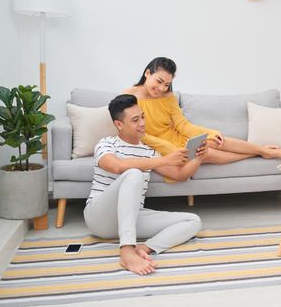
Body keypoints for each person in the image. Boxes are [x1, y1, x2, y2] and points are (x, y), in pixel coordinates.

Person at [83, 94, 205, 276]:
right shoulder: (106, 144)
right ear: (119, 124)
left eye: (142, 117)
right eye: (135, 120)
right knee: (133, 173)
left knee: (193, 221)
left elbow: (180, 175)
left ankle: (144, 248)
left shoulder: (148, 151)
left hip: (131, 218)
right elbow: (116, 166)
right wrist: (163, 160)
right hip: (99, 218)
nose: (142, 123)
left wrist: (198, 157)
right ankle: (126, 250)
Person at [123, 57, 281, 165]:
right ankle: (259, 153)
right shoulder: (129, 96)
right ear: (147, 73)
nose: (161, 88)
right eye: (159, 81)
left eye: (166, 84)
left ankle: (261, 150)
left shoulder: (169, 97)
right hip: (155, 144)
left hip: (175, 137)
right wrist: (168, 148)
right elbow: (136, 132)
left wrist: (209, 132)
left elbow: (183, 125)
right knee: (206, 153)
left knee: (214, 141)